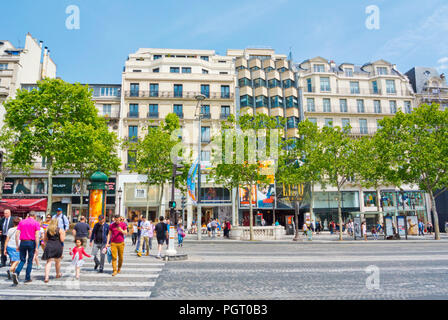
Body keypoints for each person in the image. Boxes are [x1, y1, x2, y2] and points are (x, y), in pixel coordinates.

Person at [12, 212, 41, 285]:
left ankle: (16, 272)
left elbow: (16, 234)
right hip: (31, 242)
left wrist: (17, 245)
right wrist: (37, 247)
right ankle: (27, 278)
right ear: (34, 216)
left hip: (23, 242)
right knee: (30, 260)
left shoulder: (22, 222)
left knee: (22, 260)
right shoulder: (36, 223)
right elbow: (37, 236)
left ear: (28, 215)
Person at [42, 218, 65, 283]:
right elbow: (62, 240)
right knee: (57, 261)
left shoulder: (47, 229)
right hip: (57, 246)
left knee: (48, 262)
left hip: (49, 245)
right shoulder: (60, 230)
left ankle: (46, 277)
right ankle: (57, 274)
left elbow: (45, 239)